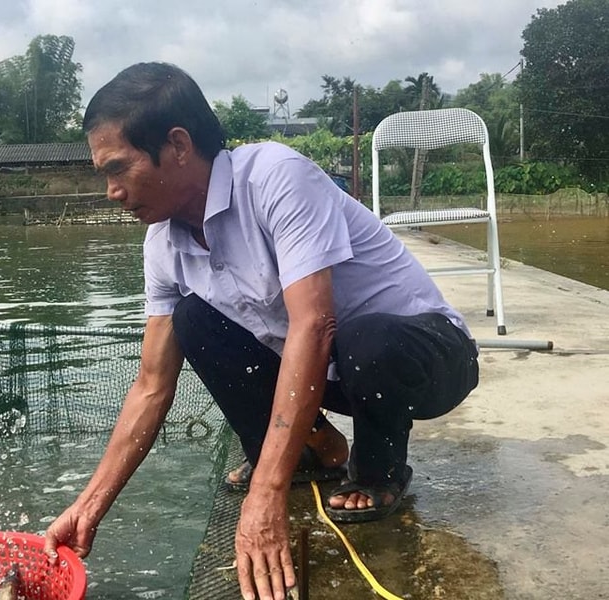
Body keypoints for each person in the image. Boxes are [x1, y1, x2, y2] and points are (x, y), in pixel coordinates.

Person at [44, 62, 479, 600]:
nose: (111, 191)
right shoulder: (162, 245)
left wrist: (265, 497)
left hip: (426, 354)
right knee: (192, 319)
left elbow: (314, 326)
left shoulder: (275, 176)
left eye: (118, 169)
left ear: (178, 145)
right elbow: (152, 386)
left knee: (366, 339)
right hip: (337, 371)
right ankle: (310, 453)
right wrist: (88, 508)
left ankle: (378, 470)